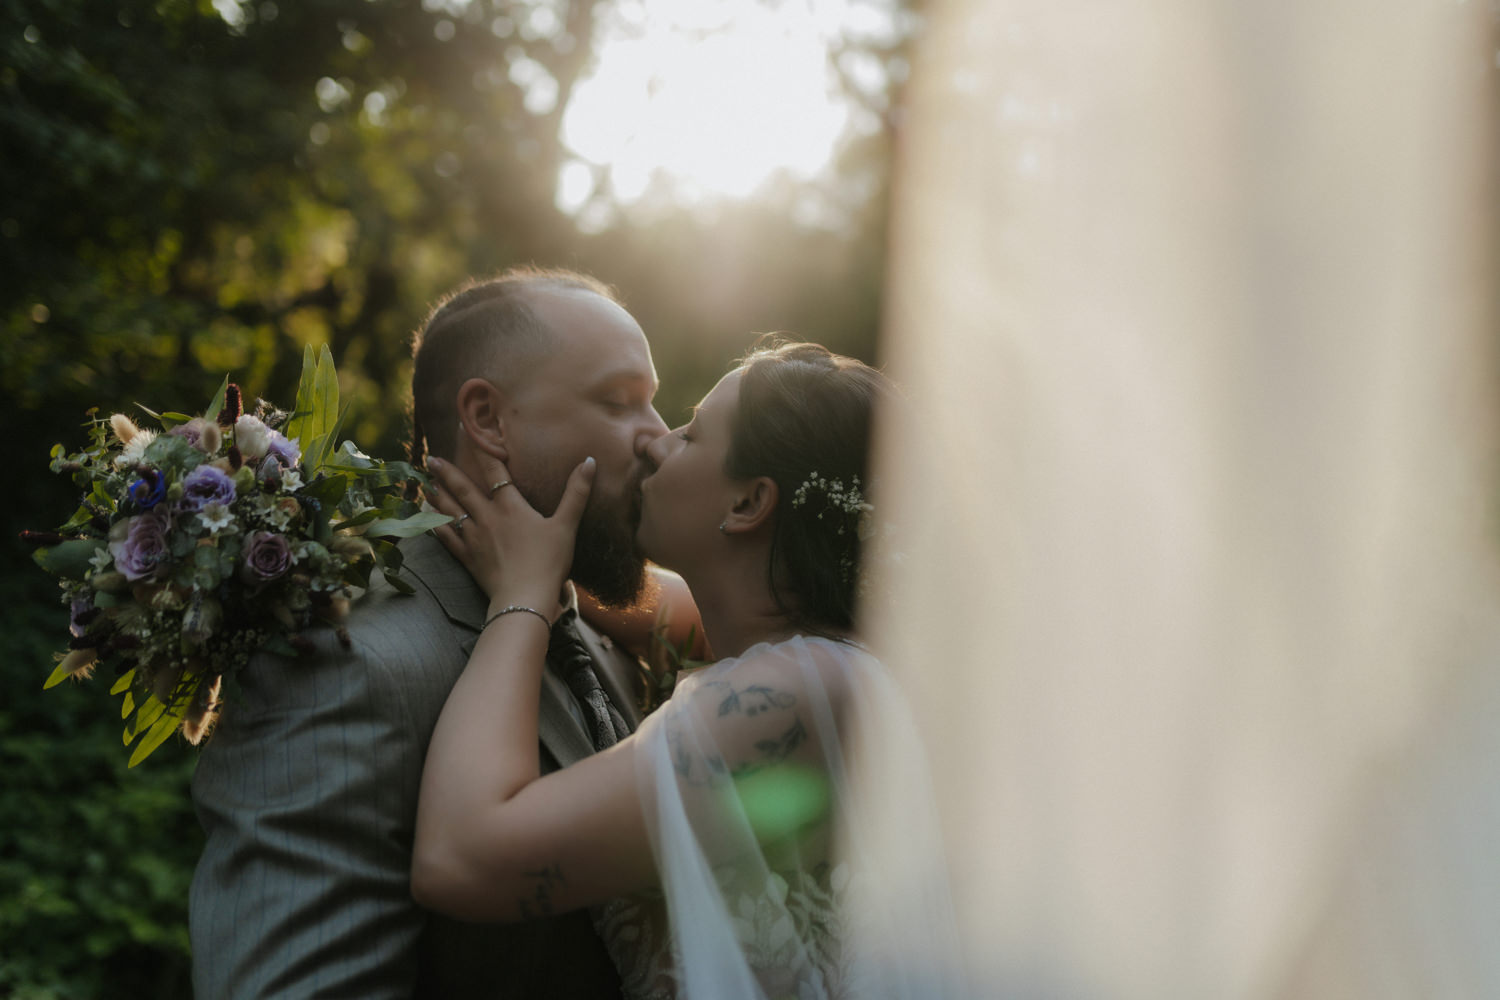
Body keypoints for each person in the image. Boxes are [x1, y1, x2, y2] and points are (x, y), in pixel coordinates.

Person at [414, 340, 964, 999]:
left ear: (747, 504)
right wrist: (533, 541)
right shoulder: (804, 650)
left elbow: (462, 861)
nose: (655, 442)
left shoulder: (797, 692)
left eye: (692, 434)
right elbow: (641, 603)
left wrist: (520, 598)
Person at [188, 267, 668, 998]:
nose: (660, 442)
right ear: (488, 419)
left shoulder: (600, 631)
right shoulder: (344, 659)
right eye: (619, 401)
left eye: (654, 407)